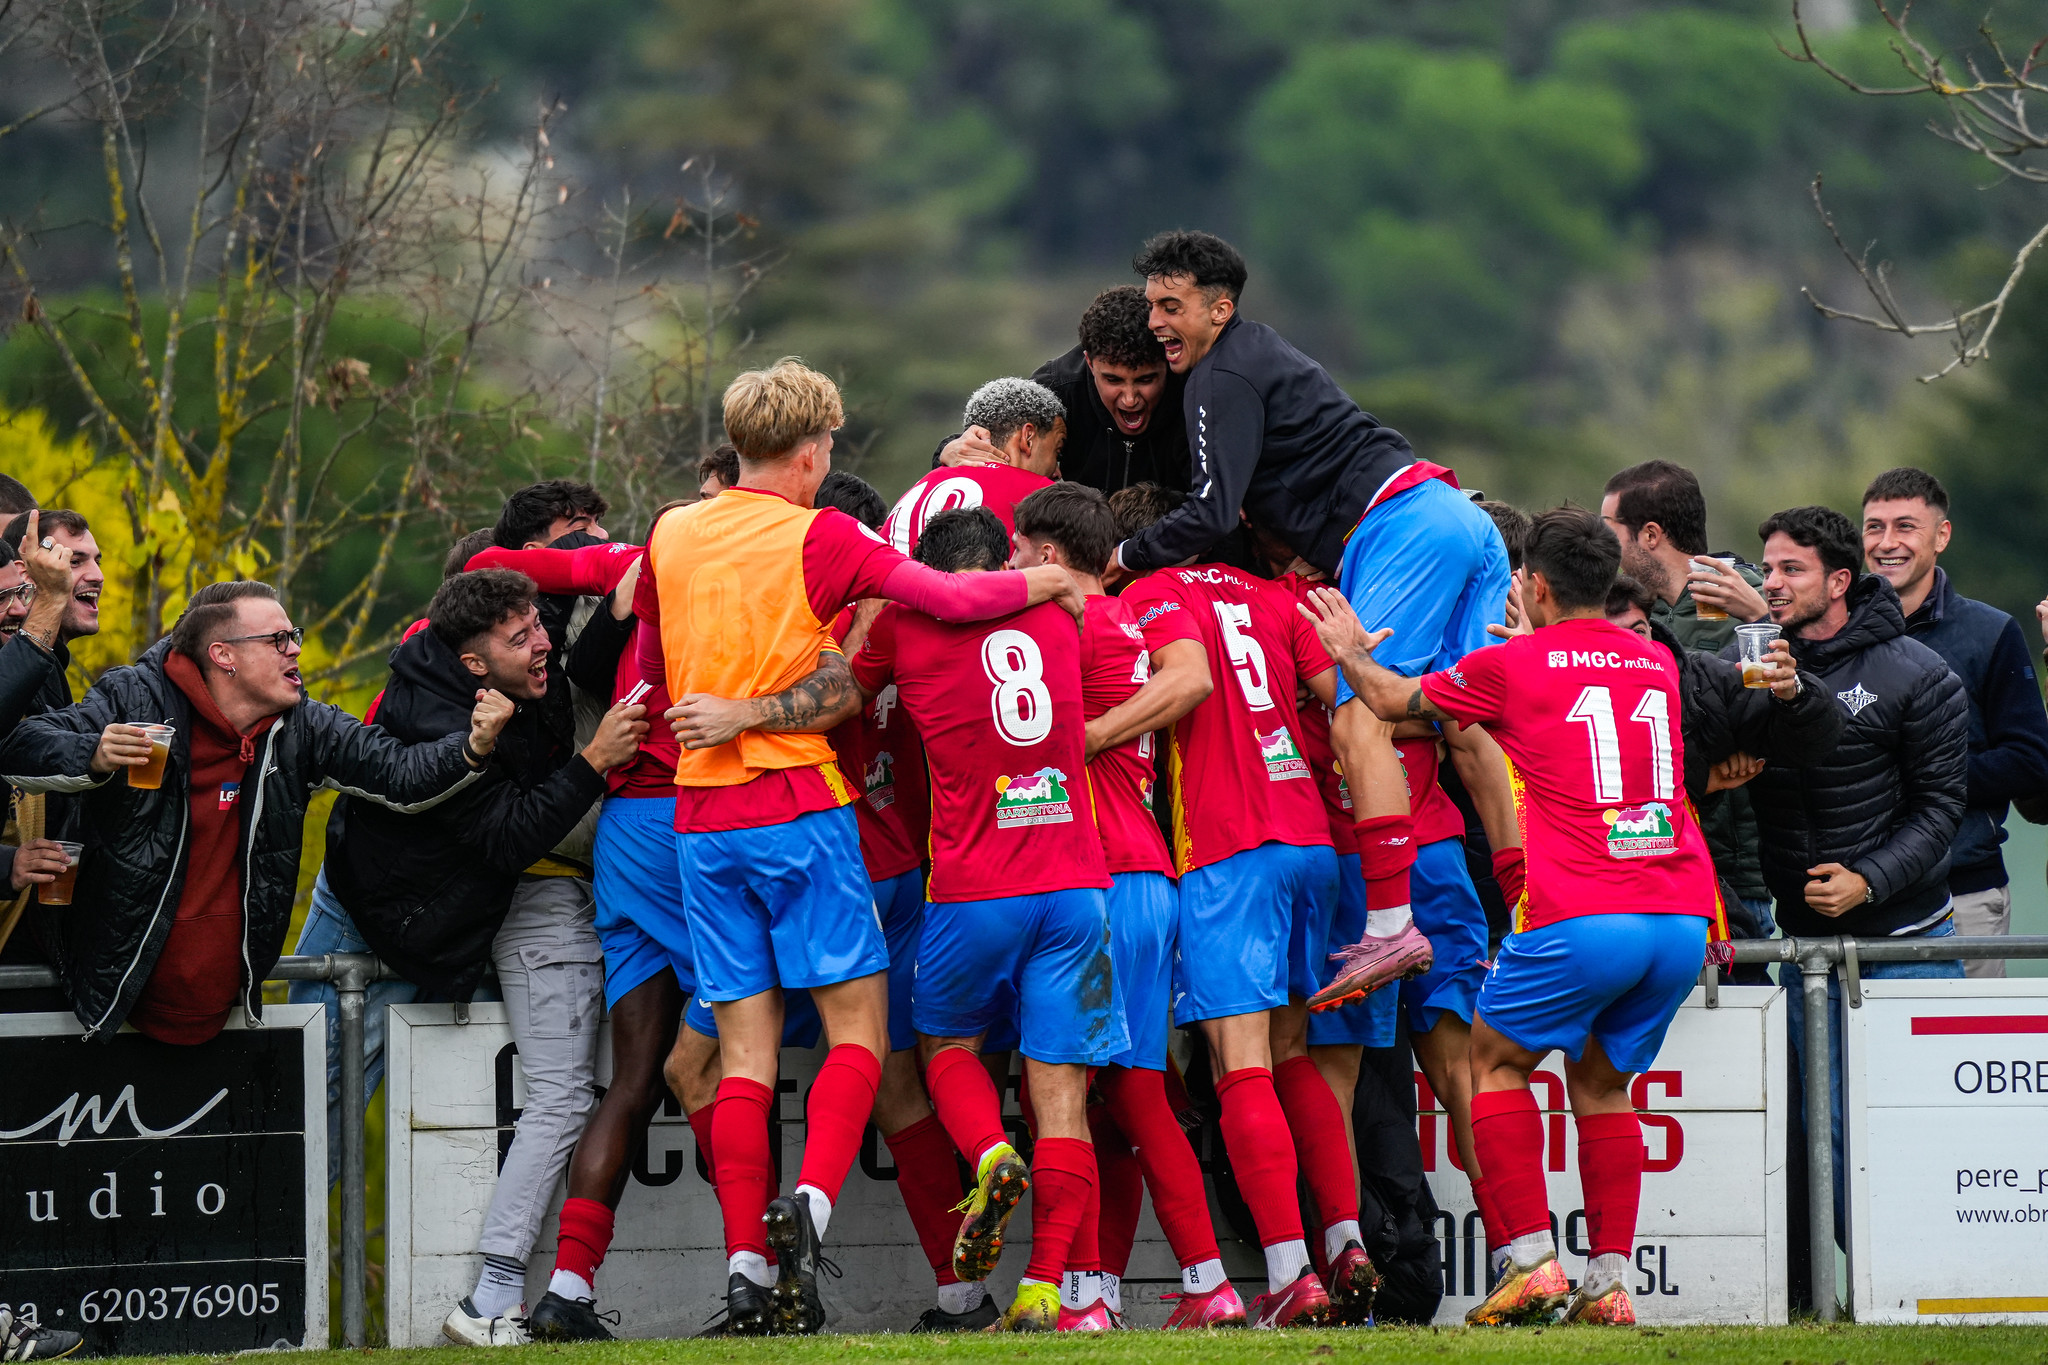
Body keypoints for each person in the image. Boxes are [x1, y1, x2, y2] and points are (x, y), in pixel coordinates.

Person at [632, 358, 1085, 1334]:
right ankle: (822, 1213)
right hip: (819, 823)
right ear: (809, 453)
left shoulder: (674, 531)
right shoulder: (831, 548)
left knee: (734, 1060)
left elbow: (620, 620)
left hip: (703, 823)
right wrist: (1048, 580)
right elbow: (945, 606)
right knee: (868, 1049)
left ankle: (750, 1274)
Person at [1299, 507, 1724, 1328]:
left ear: (1532, 585)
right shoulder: (1657, 661)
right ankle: (1610, 1282)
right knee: (1603, 1084)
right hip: (1676, 913)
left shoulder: (1513, 663)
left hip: (1582, 910)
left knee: (1492, 1065)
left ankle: (1528, 1259)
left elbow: (1389, 698)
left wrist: (1350, 647)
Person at [1109, 230, 1515, 1014]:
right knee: (1465, 720)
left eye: (1173, 306)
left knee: (1358, 720)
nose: (1160, 323)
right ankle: (1529, 896)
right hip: (1460, 515)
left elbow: (1210, 510)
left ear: (1219, 308)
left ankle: (1392, 924)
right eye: (1153, 305)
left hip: (1399, 528)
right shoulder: (1260, 353)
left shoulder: (1216, 378)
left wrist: (1125, 553)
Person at [313, 569, 646, 1344]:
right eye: (519, 636)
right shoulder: (442, 718)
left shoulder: (513, 669)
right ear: (472, 665)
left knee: (561, 1087)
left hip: (464, 894)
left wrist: (625, 586)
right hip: (398, 912)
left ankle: (494, 1295)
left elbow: (569, 658)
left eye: (539, 623)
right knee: (316, 1089)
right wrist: (595, 761)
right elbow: (506, 840)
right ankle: (488, 1297)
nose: (542, 644)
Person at [0, 580, 507, 1042]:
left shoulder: (302, 724)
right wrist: (93, 754)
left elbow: (400, 773)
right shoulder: (136, 697)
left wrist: (473, 745)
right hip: (110, 1007)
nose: (296, 649)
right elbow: (19, 745)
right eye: (278, 640)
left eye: (296, 636)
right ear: (224, 656)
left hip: (230, 1013)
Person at [849, 507, 1117, 1332]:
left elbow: (847, 691)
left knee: (945, 1046)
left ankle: (993, 1154)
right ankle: (1046, 1291)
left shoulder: (904, 623)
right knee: (1062, 1096)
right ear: (1006, 558)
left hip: (974, 886)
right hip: (1077, 883)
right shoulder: (1059, 608)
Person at [1108, 483, 1365, 1329]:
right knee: (1292, 1052)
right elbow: (1345, 702)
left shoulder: (1149, 595)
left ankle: (1292, 1273)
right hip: (1310, 839)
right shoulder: (1268, 595)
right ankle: (1345, 1239)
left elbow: (1180, 692)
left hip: (1228, 850)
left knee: (1239, 1062)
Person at [1011, 483, 1249, 1329]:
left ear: (1044, 555)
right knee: (1133, 1092)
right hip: (1151, 877)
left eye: (1014, 551)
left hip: (1096, 879)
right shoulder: (1134, 617)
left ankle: (1093, 1293)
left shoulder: (1055, 627)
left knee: (1069, 1092)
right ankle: (1179, 1284)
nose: (1006, 567)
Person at [1740, 504, 1968, 1244]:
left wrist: (1867, 879)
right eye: (1767, 567)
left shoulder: (1918, 670)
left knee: (1912, 1137)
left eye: (1790, 569)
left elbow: (1942, 809)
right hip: (1802, 948)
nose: (1771, 582)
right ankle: (1845, 1304)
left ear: (1839, 580)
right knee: (1818, 1139)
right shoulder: (1752, 663)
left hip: (1905, 946)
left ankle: (1925, 1286)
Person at [1863, 466, 2048, 978]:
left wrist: (1917, 777)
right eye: (1874, 527)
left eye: (1906, 526)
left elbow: (2031, 762)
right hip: (1858, 899)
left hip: (1965, 890)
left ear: (1941, 535)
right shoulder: (1835, 633)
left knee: (1959, 1055)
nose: (1887, 542)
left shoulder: (1990, 632)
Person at [1601, 461, 1776, 936]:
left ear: (1651, 534)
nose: (1601, 545)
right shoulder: (1629, 609)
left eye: (1608, 529)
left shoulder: (1754, 603)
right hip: (1651, 858)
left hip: (1735, 867)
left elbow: (1777, 708)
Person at [935, 286, 1188, 497]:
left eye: (1146, 380)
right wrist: (947, 452)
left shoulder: (1195, 392)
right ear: (1089, 363)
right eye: (1113, 380)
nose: (1130, 399)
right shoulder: (1057, 387)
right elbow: (990, 441)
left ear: (1166, 362)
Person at [1, 516, 80, 951]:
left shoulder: (45, 673)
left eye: (23, 593)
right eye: (2, 598)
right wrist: (7, 867)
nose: (17, 608)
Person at [888, 377, 1063, 555]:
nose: (1057, 471)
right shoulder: (1043, 499)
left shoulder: (922, 485)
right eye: (1057, 450)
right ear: (1028, 437)